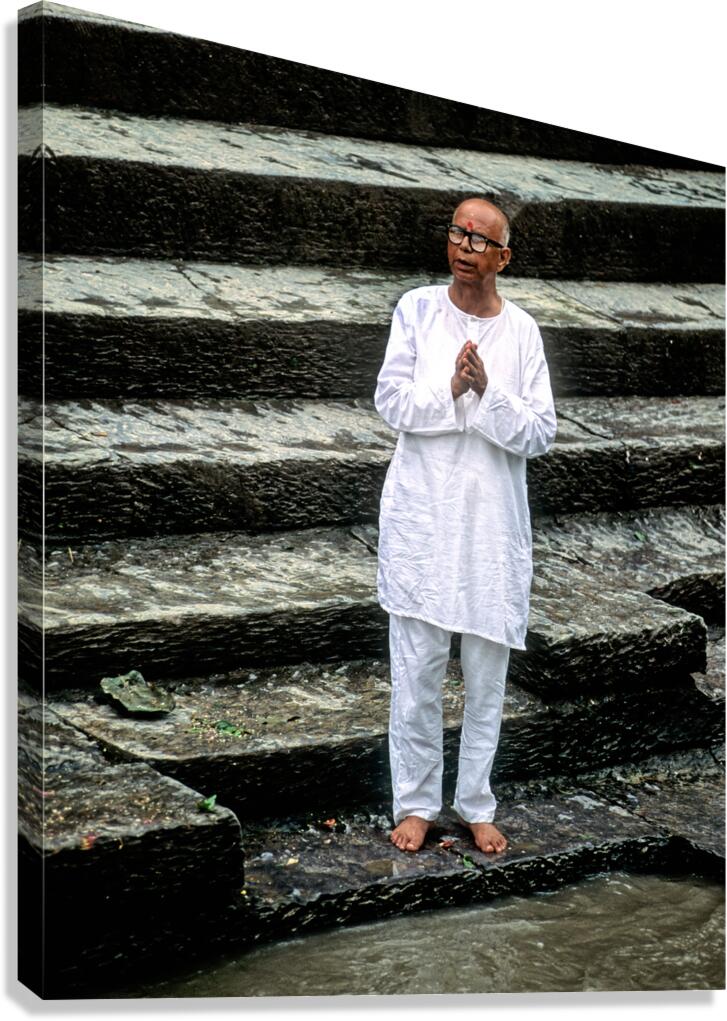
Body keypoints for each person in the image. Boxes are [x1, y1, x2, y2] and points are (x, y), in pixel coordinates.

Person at [374, 197, 557, 855]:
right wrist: (451, 389)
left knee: (486, 678)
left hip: (489, 530)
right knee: (417, 671)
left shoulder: (522, 332)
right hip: (423, 520)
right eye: (457, 232)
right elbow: (390, 400)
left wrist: (487, 391)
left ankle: (476, 802)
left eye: (480, 240)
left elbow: (539, 432)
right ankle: (416, 803)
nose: (464, 246)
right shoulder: (417, 310)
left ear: (503, 257)